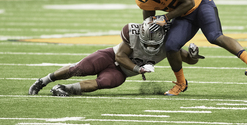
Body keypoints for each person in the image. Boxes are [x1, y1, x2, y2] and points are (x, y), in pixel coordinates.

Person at [127, 0, 247, 96]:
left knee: (215, 36)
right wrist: (147, 52)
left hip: (200, 4)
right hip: (182, 15)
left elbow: (189, 3)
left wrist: (166, 18)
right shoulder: (143, 0)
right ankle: (181, 83)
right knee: (170, 45)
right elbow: (149, 24)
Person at [28, 17, 204, 96]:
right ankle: (43, 81)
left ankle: (64, 89)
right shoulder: (132, 33)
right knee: (78, 69)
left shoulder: (168, 43)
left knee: (102, 83)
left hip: (122, 73)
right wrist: (139, 69)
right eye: (146, 42)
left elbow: (188, 59)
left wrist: (194, 56)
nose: (150, 47)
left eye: (154, 44)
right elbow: (120, 56)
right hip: (111, 57)